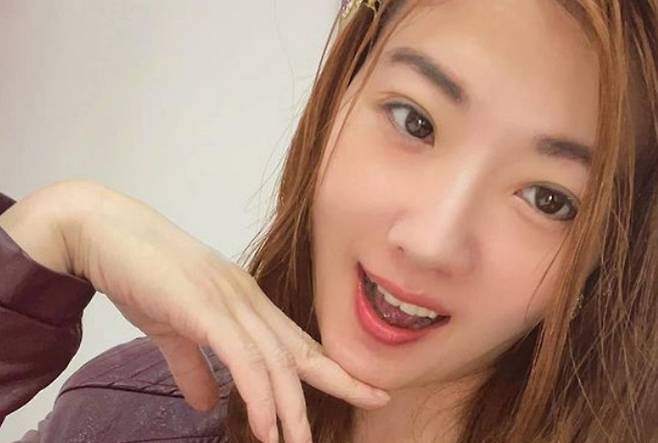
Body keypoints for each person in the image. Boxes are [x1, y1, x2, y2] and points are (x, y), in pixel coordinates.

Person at [1, 0, 656, 442]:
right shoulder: (134, 412)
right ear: (341, 90)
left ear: (609, 249)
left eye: (548, 198)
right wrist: (53, 232)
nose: (430, 242)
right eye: (415, 122)